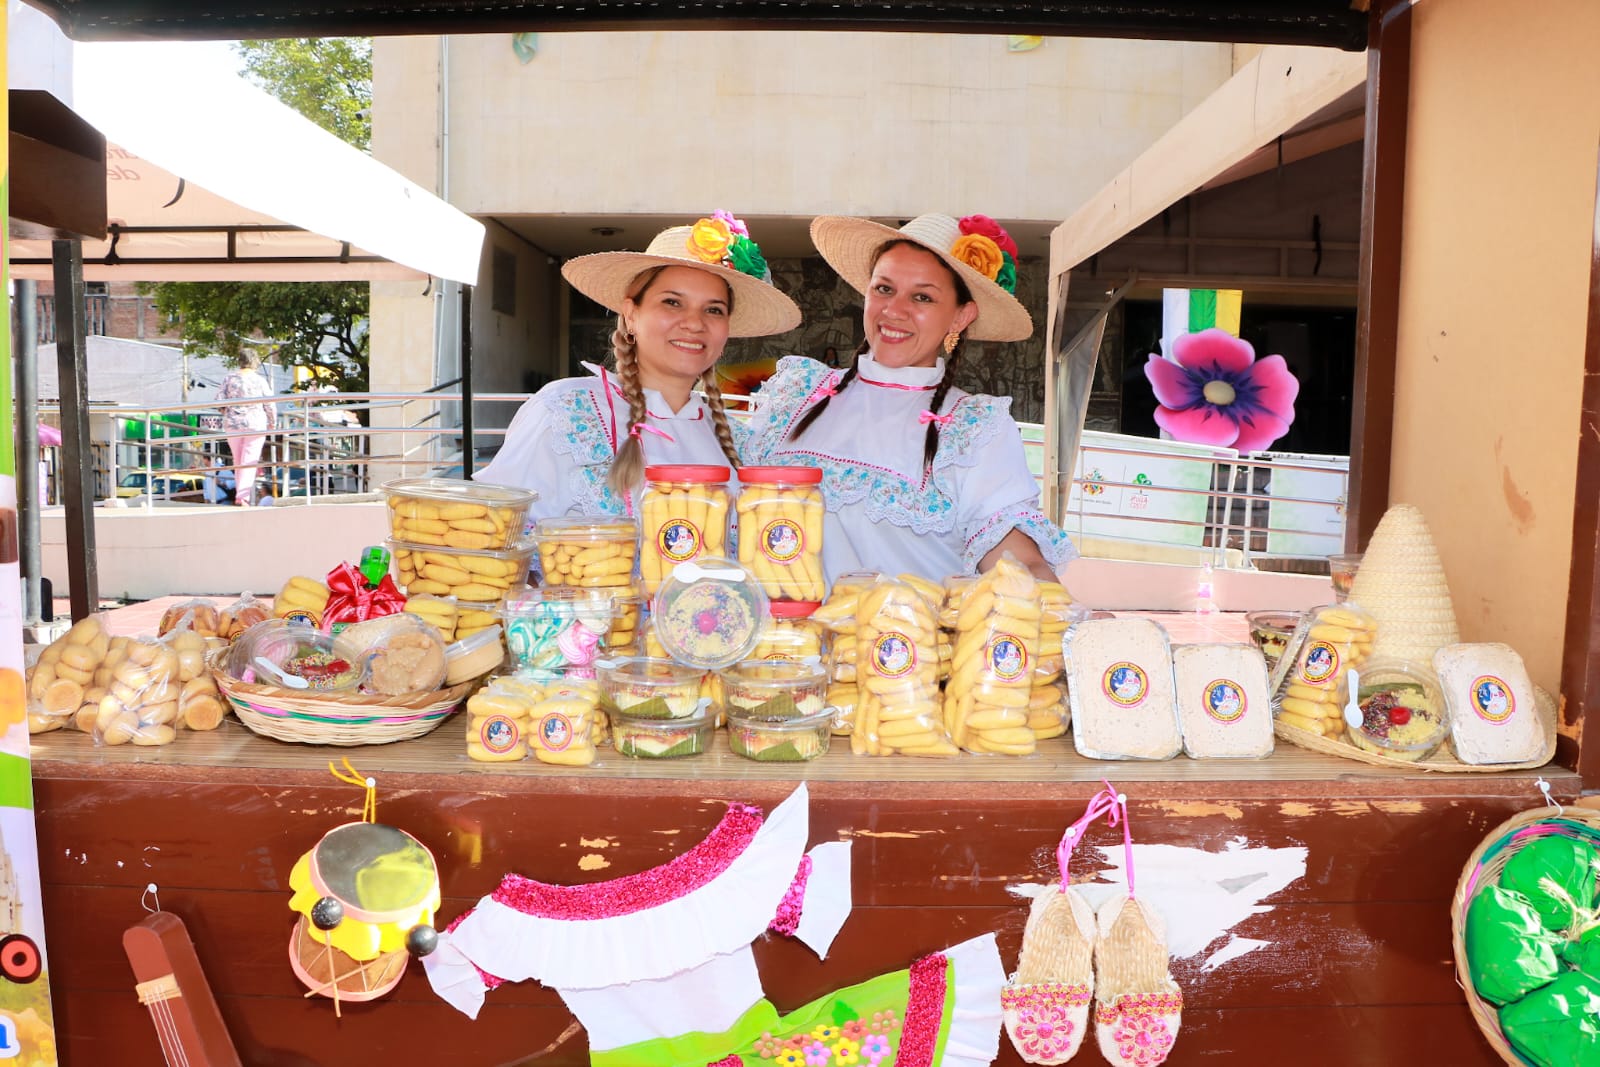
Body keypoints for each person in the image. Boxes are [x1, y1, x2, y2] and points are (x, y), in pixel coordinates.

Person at [742, 213, 1073, 585]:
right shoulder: (795, 395)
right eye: (884, 289)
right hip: (781, 641)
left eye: (922, 297)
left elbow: (1016, 562)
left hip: (907, 642)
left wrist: (1069, 619)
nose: (894, 311)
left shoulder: (973, 427)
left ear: (961, 317)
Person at [475, 213, 800, 520]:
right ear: (631, 315)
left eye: (713, 310)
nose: (694, 323)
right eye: (672, 302)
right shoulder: (566, 412)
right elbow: (492, 535)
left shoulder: (740, 443)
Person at [216, 349, 278, 507]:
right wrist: (272, 422)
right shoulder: (259, 380)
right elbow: (270, 404)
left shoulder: (229, 378)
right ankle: (242, 496)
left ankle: (241, 495)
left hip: (233, 424)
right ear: (255, 362)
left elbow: (219, 401)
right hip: (255, 424)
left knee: (238, 461)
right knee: (249, 461)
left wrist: (228, 412)